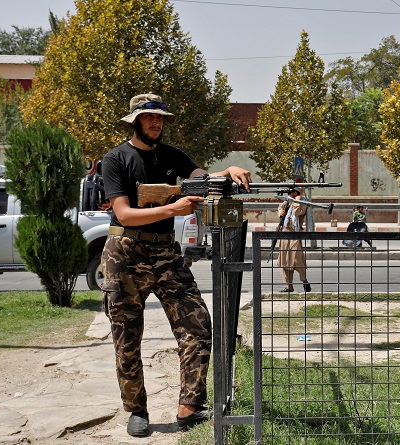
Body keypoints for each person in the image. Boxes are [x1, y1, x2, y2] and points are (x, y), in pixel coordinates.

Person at [100, 93, 251, 437]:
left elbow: (203, 176)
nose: (156, 123)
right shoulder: (116, 159)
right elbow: (123, 213)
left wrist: (227, 169)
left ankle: (189, 406)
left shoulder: (173, 155)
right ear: (135, 120)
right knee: (126, 336)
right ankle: (136, 410)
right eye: (149, 118)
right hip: (124, 253)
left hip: (166, 252)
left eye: (160, 118)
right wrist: (172, 209)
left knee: (197, 323)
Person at [277, 188, 311, 293]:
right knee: (285, 260)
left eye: (290, 193)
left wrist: (297, 200)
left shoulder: (303, 203)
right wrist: (280, 212)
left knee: (297, 259)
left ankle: (304, 280)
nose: (288, 194)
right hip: (285, 232)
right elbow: (280, 209)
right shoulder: (287, 202)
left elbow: (297, 213)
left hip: (295, 233)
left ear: (296, 193)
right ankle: (289, 286)